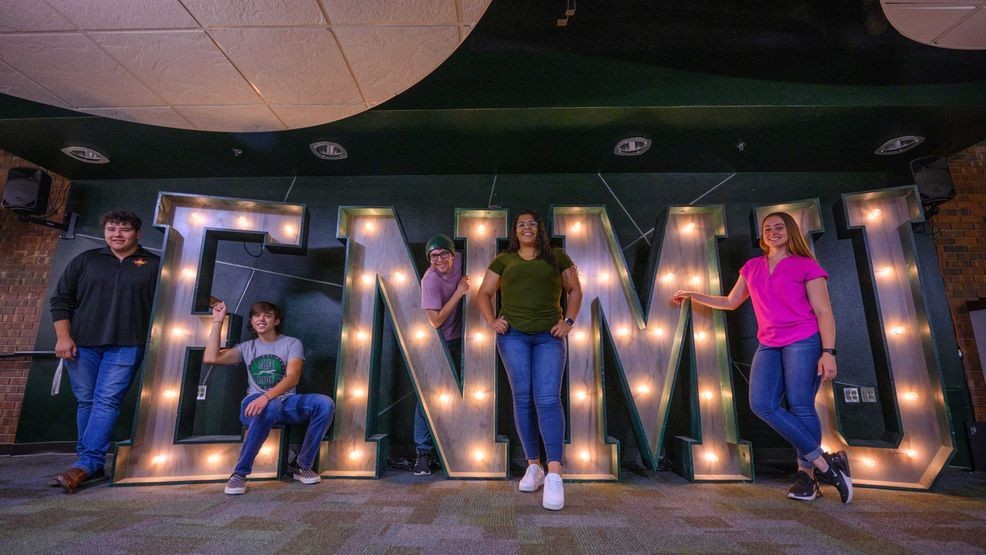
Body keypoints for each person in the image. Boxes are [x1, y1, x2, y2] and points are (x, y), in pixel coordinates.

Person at [672, 211, 853, 503]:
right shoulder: (752, 266)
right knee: (762, 404)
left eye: (779, 227)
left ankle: (807, 477)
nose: (773, 232)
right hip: (769, 343)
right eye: (767, 229)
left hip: (803, 340)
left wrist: (828, 352)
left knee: (801, 406)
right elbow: (731, 302)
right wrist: (692, 294)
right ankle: (826, 464)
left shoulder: (806, 265)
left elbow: (823, 311)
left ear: (790, 231)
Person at [476, 209, 582, 511]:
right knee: (522, 400)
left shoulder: (556, 257)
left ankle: (554, 474)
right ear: (515, 231)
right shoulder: (503, 260)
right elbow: (484, 293)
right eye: (522, 224)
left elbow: (575, 291)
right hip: (513, 337)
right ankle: (533, 466)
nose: (527, 228)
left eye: (532, 224)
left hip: (550, 336)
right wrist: (491, 320)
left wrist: (569, 321)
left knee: (547, 399)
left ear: (540, 229)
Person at [50, 210, 160, 493]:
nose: (117, 234)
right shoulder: (85, 261)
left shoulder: (154, 264)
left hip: (127, 344)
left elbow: (179, 292)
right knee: (86, 402)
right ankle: (90, 463)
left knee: (106, 402)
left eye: (124, 229)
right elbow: (61, 300)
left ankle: (85, 464)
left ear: (138, 233)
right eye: (111, 229)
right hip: (82, 344)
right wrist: (63, 338)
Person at [204, 300, 334, 495]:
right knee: (271, 406)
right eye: (257, 315)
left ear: (276, 321)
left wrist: (267, 397)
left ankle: (303, 465)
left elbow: (293, 377)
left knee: (324, 403)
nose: (261, 319)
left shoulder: (291, 343)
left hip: (285, 402)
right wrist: (218, 321)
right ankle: (239, 474)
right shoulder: (246, 348)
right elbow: (211, 358)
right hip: (253, 404)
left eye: (267, 315)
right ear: (252, 321)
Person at [414, 235, 470, 475]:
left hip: (467, 338)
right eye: (433, 256)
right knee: (429, 396)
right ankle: (423, 452)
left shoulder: (462, 259)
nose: (439, 260)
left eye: (443, 254)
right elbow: (435, 321)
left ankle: (457, 450)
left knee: (465, 395)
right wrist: (459, 293)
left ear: (452, 253)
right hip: (440, 343)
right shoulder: (430, 280)